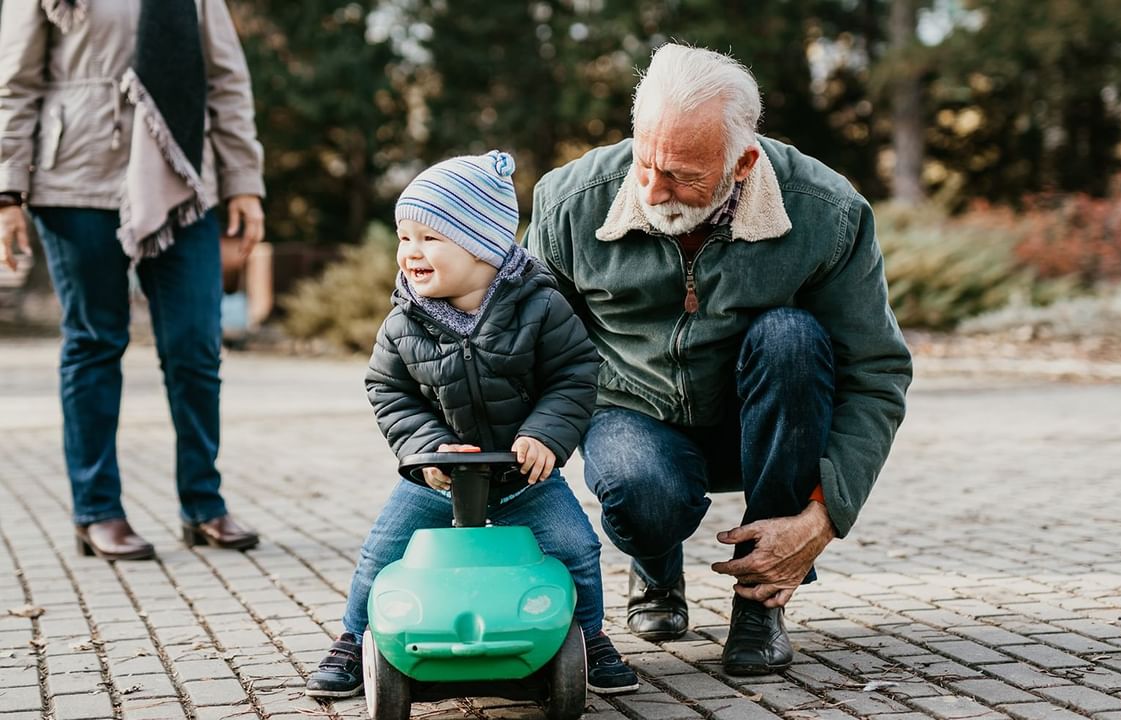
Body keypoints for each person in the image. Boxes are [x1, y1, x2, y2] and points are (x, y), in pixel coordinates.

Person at [523, 44, 913, 676]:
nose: (653, 189)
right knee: (640, 493)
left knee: (793, 338)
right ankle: (655, 564)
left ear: (743, 162)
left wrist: (823, 517)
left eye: (681, 175)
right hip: (630, 409)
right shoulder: (568, 202)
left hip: (761, 420)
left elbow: (876, 373)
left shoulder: (828, 213)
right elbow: (527, 343)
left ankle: (762, 602)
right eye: (645, 162)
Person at [304, 151, 640, 698]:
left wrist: (545, 435)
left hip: (523, 478)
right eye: (404, 236)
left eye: (430, 238)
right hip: (439, 479)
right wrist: (429, 448)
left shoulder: (542, 308)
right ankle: (352, 636)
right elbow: (387, 389)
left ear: (483, 244)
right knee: (383, 549)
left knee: (576, 546)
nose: (411, 251)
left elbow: (575, 374)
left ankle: (590, 635)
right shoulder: (403, 321)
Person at [0, 0, 265, 559]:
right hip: (74, 178)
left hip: (183, 182)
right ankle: (97, 509)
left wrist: (243, 180)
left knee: (195, 344)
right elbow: (15, 82)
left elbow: (226, 81)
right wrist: (6, 191)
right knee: (95, 342)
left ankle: (203, 504)